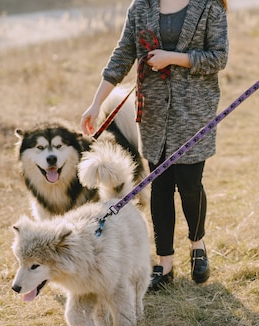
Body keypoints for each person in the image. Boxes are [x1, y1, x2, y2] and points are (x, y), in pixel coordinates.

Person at [81, 0, 229, 291]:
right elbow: (123, 54)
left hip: (193, 111)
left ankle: (197, 244)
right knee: (159, 187)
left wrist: (173, 58)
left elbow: (218, 57)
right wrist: (96, 103)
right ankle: (164, 262)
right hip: (152, 114)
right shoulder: (141, 7)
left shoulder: (209, 7)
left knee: (189, 184)